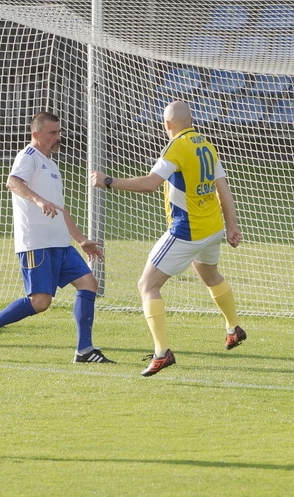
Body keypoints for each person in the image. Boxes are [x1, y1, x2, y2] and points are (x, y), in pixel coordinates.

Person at [90, 100, 245, 377]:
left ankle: (162, 352)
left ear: (167, 124)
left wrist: (109, 181)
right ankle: (233, 328)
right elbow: (224, 189)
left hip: (187, 231)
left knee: (147, 285)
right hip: (212, 229)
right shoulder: (206, 145)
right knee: (211, 277)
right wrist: (231, 226)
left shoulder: (176, 146)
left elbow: (151, 184)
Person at [0, 111, 114, 364]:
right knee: (40, 302)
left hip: (60, 244)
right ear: (36, 134)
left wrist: (80, 239)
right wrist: (38, 199)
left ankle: (84, 350)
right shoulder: (28, 157)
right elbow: (12, 182)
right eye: (52, 133)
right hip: (37, 243)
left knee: (89, 284)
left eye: (59, 132)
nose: (58, 137)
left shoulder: (52, 165)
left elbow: (59, 209)